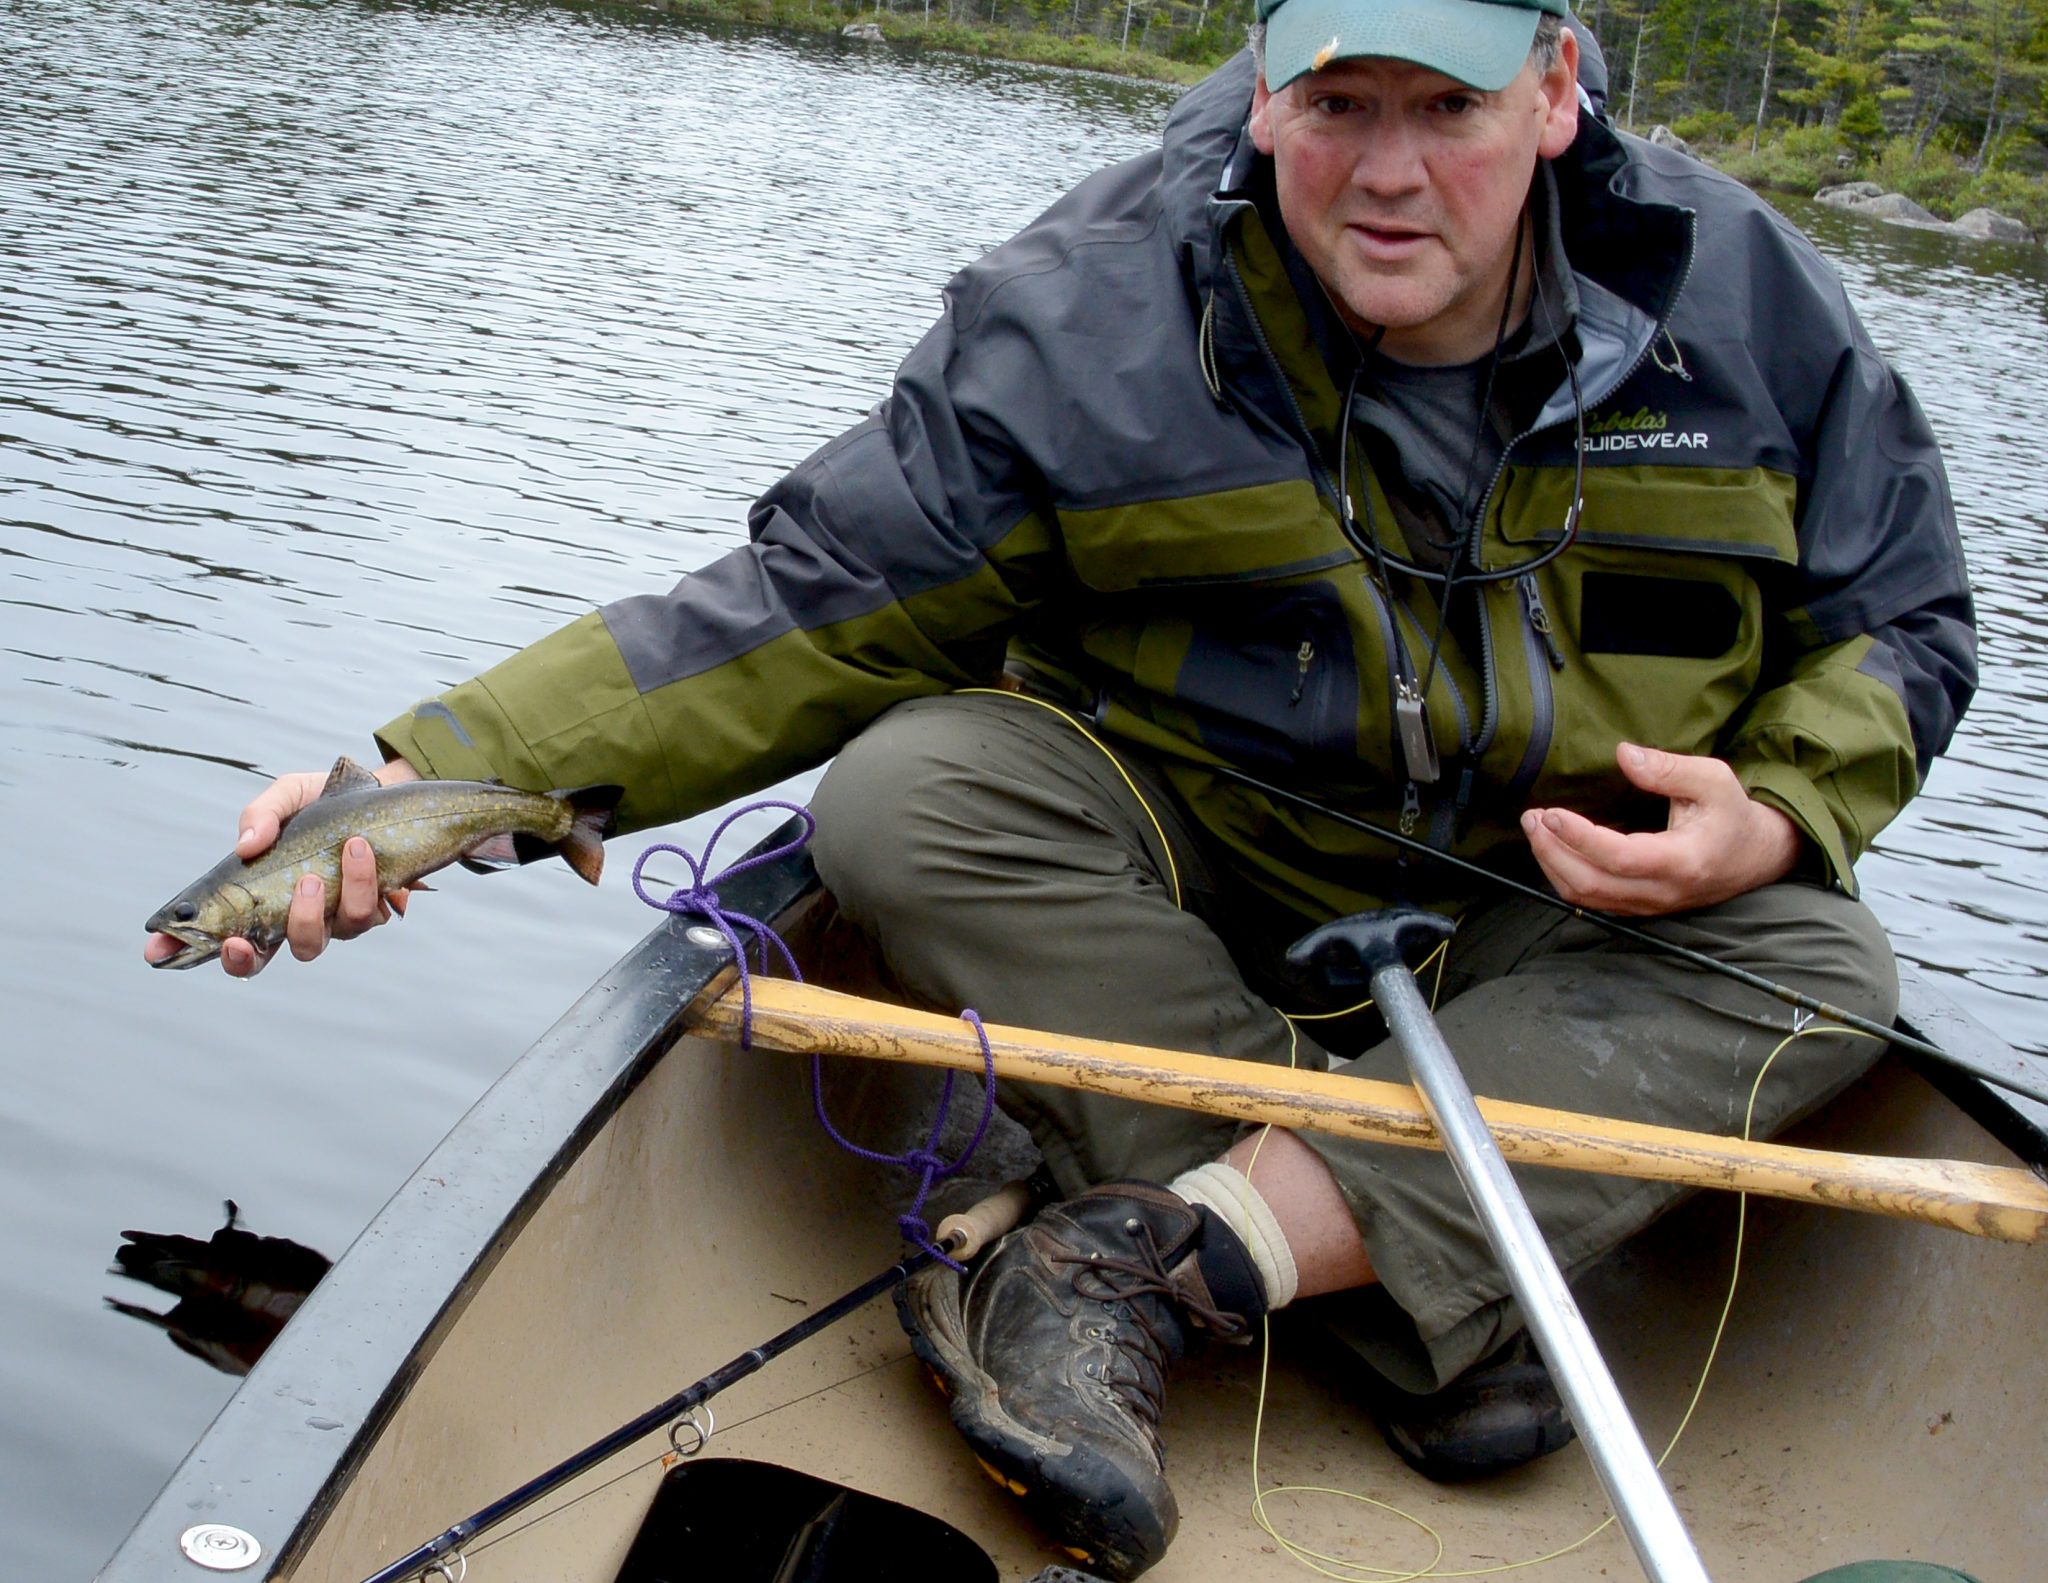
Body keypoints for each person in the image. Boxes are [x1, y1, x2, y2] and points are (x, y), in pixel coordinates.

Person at [147, 0, 1975, 1574]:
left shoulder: (1748, 299)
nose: (1388, 171)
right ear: (1264, 86)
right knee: (905, 795)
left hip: (1551, 929)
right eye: (1339, 103)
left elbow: (1903, 619)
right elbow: (811, 602)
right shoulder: (1091, 307)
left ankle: (1169, 1247)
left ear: (1558, 90)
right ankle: (1394, 1275)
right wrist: (432, 774)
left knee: (1822, 961)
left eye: (1450, 106)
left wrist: (1775, 808)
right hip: (1180, 892)